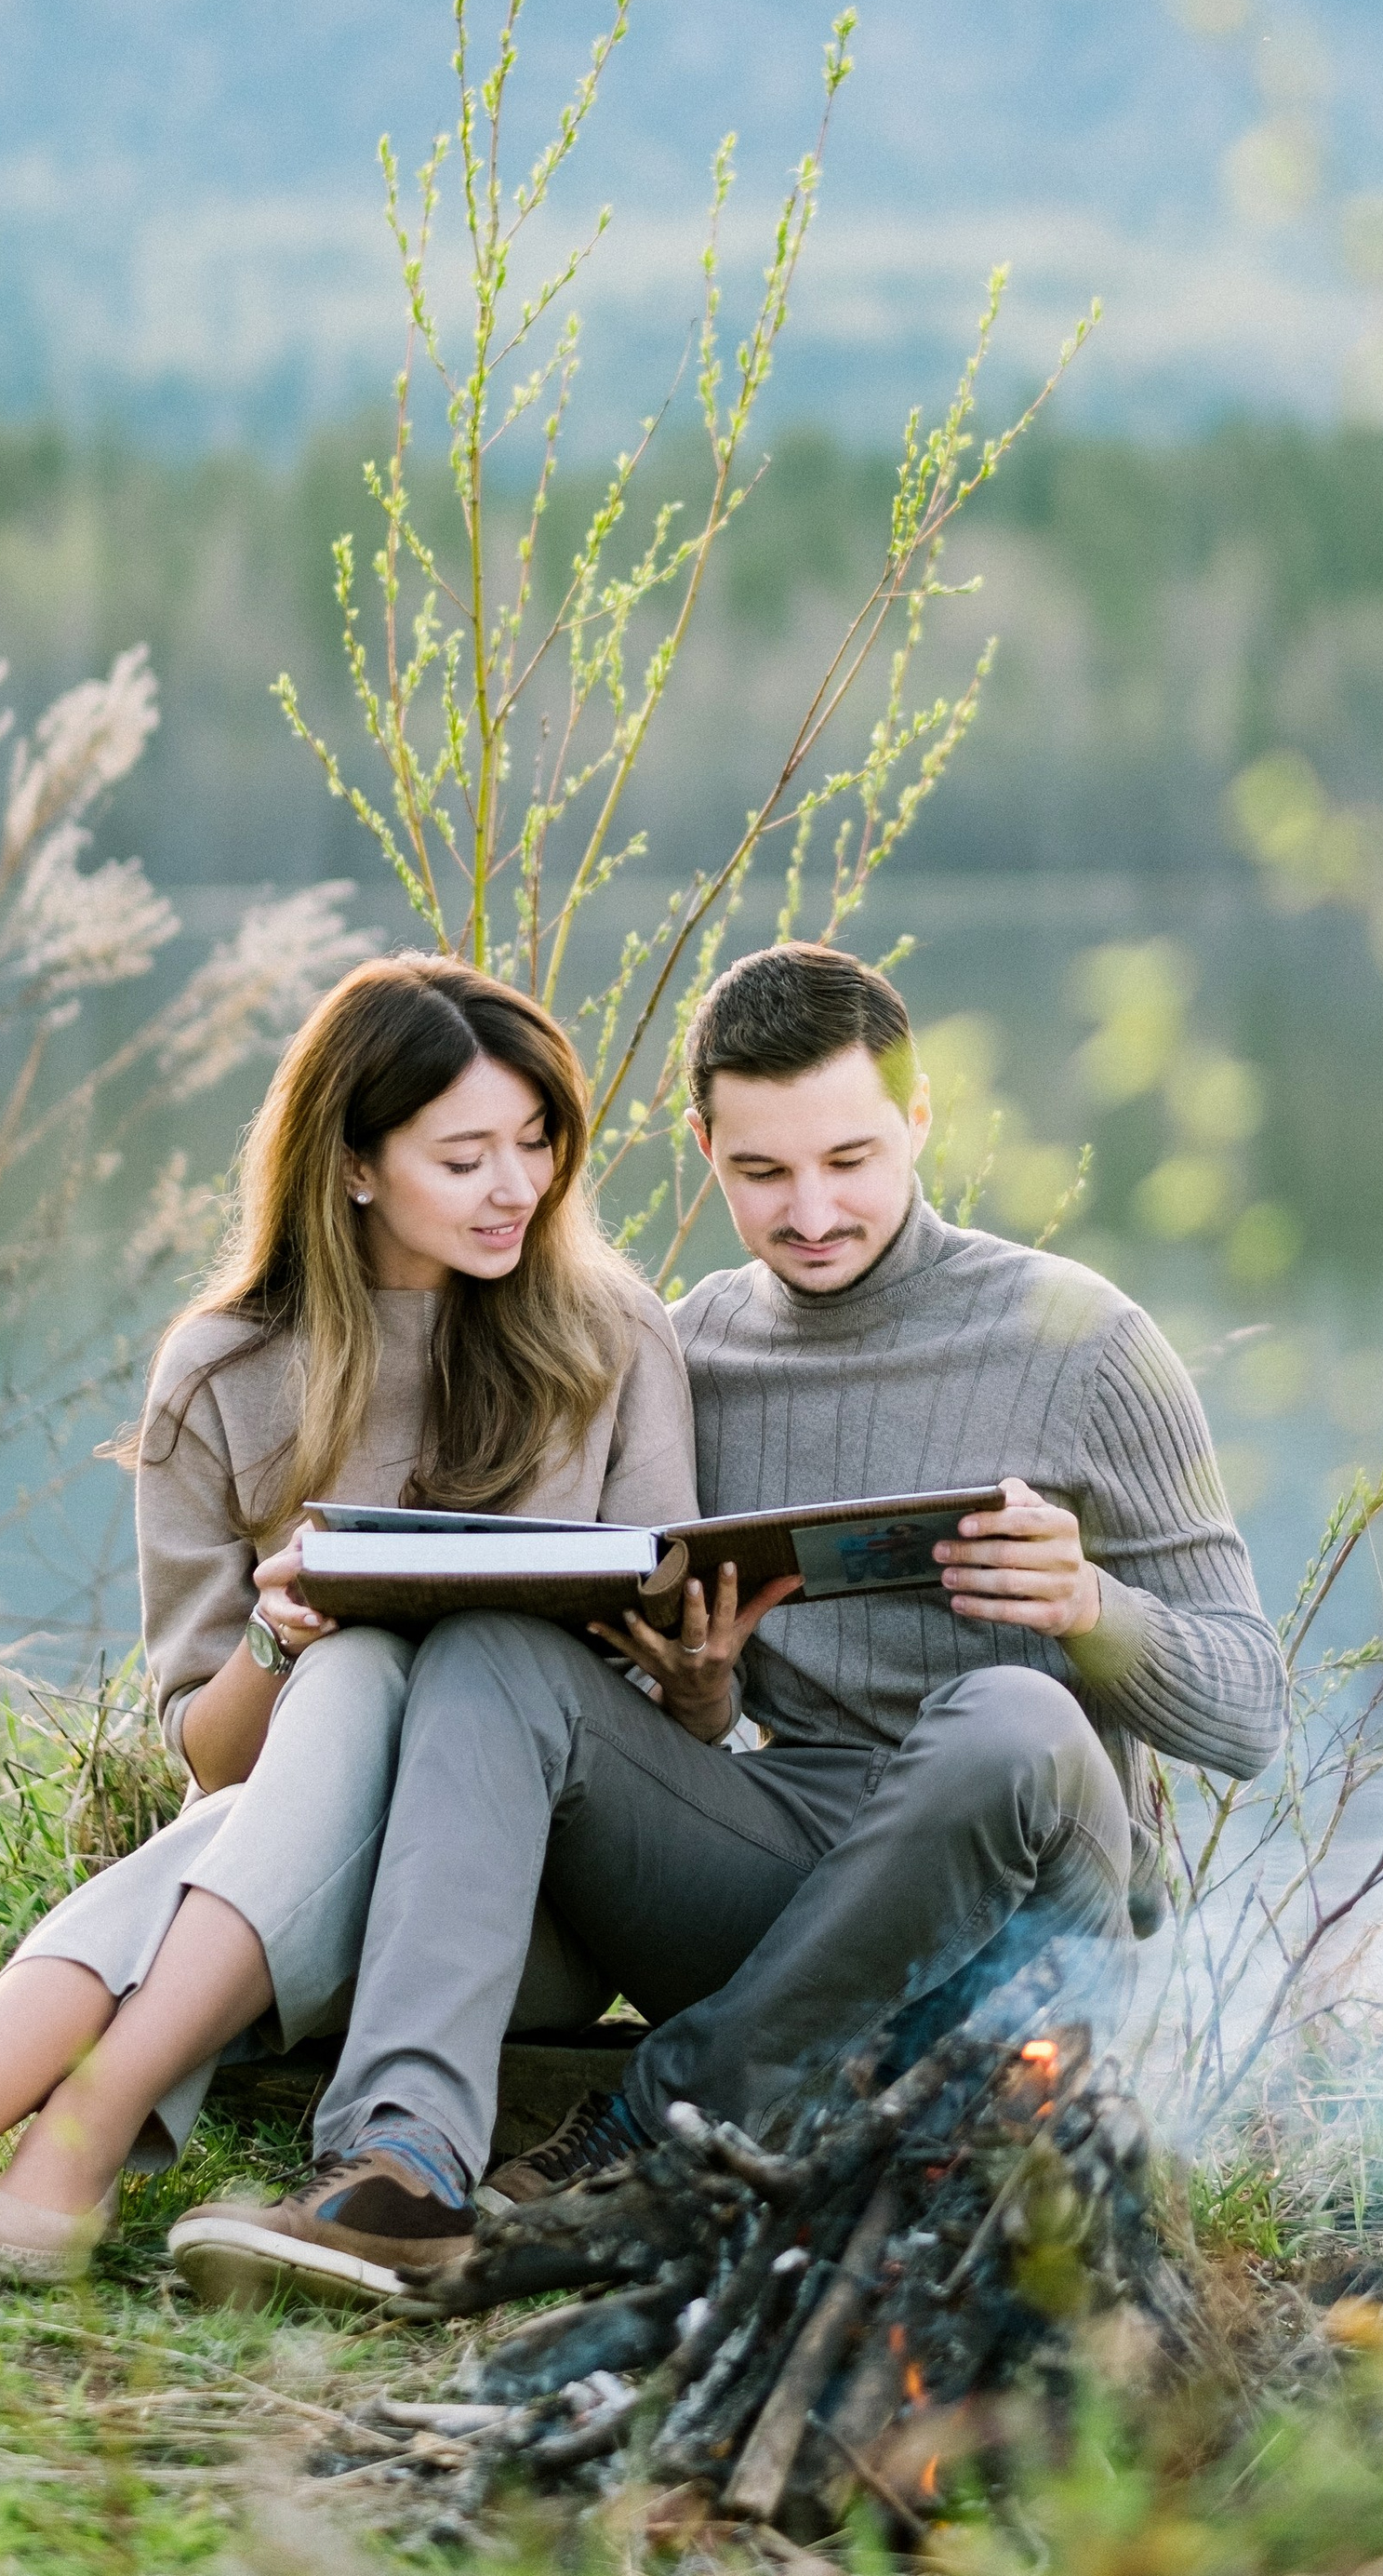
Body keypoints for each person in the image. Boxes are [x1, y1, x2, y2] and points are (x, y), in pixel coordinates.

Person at [166, 939, 1284, 2306]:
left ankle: (652, 2130)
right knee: (492, 1651)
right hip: (791, 1868)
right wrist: (695, 1689)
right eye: (762, 1173)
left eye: (853, 1160)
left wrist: (1096, 1610)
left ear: (920, 1117)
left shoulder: (1083, 1342)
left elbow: (1253, 1712)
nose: (813, 1211)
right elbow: (701, 1700)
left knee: (1013, 1713)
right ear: (702, 1149)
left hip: (1023, 1914)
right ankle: (398, 2167)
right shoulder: (690, 1347)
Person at [0, 954, 693, 2291]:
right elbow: (214, 1766)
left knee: (382, 1673)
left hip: (519, 1911)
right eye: (467, 1156)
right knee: (348, 1664)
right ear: (358, 1164)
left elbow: (654, 1708)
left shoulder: (610, 1336)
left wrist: (689, 1664)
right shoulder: (225, 1371)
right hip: (284, 1867)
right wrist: (277, 1638)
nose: (517, 1189)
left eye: (538, 1145)